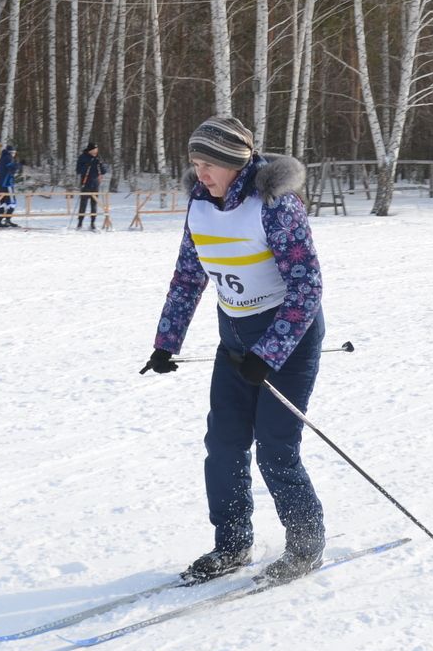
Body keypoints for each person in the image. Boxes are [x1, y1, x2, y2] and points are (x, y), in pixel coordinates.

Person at [140, 116, 326, 585]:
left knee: (276, 447)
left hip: (289, 338)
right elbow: (188, 275)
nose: (200, 174)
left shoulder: (276, 204)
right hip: (235, 338)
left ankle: (305, 547)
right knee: (223, 444)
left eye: (208, 164)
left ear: (233, 161)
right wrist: (166, 343)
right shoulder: (200, 206)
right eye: (195, 163)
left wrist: (271, 352)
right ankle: (232, 543)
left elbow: (307, 288)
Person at [74, 142, 108, 230]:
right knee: (83, 204)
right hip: (86, 183)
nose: (95, 151)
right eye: (94, 150)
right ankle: (80, 222)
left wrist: (100, 164)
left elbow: (104, 171)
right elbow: (78, 170)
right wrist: (87, 165)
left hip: (95, 184)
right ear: (89, 150)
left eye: (96, 150)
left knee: (94, 204)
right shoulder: (83, 157)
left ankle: (93, 222)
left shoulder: (98, 157)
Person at [0, 145, 22, 228]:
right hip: (8, 184)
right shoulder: (8, 158)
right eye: (13, 153)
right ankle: (7, 220)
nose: (14, 154)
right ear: (10, 152)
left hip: (1, 184)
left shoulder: (1, 159)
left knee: (3, 203)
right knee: (12, 202)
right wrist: (19, 164)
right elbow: (11, 168)